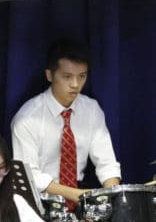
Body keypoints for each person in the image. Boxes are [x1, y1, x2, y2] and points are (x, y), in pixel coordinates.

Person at [10, 38, 121, 204]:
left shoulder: (91, 109)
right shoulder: (27, 118)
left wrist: (112, 195)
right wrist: (77, 195)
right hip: (41, 202)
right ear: (49, 75)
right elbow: (30, 176)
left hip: (81, 198)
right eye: (67, 77)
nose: (75, 84)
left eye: (82, 76)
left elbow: (107, 163)